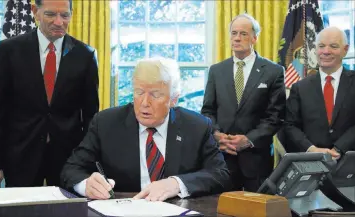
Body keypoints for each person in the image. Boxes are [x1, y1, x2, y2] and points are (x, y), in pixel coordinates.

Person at [61, 57, 231, 201]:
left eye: (155, 95)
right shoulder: (106, 123)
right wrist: (86, 185)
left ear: (174, 99)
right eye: (139, 92)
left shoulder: (197, 126)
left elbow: (220, 174)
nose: (144, 103)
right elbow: (71, 169)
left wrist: (177, 184)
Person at [0, 0, 99, 187]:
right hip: (20, 155)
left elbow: (91, 117)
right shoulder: (10, 50)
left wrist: (87, 163)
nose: (59, 22)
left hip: (68, 159)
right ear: (35, 11)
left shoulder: (85, 55)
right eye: (51, 14)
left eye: (65, 15)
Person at [201, 13, 286, 192]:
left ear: (255, 38)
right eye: (234, 33)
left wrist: (248, 140)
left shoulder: (273, 71)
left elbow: (275, 117)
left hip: (256, 161)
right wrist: (216, 135)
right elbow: (208, 111)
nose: (237, 38)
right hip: (222, 158)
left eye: (243, 34)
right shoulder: (216, 71)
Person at [282, 26, 355, 156]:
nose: (326, 51)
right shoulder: (300, 88)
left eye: (333, 46)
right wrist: (312, 149)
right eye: (321, 46)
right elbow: (289, 126)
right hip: (312, 162)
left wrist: (338, 149)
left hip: (350, 163)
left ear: (345, 50)